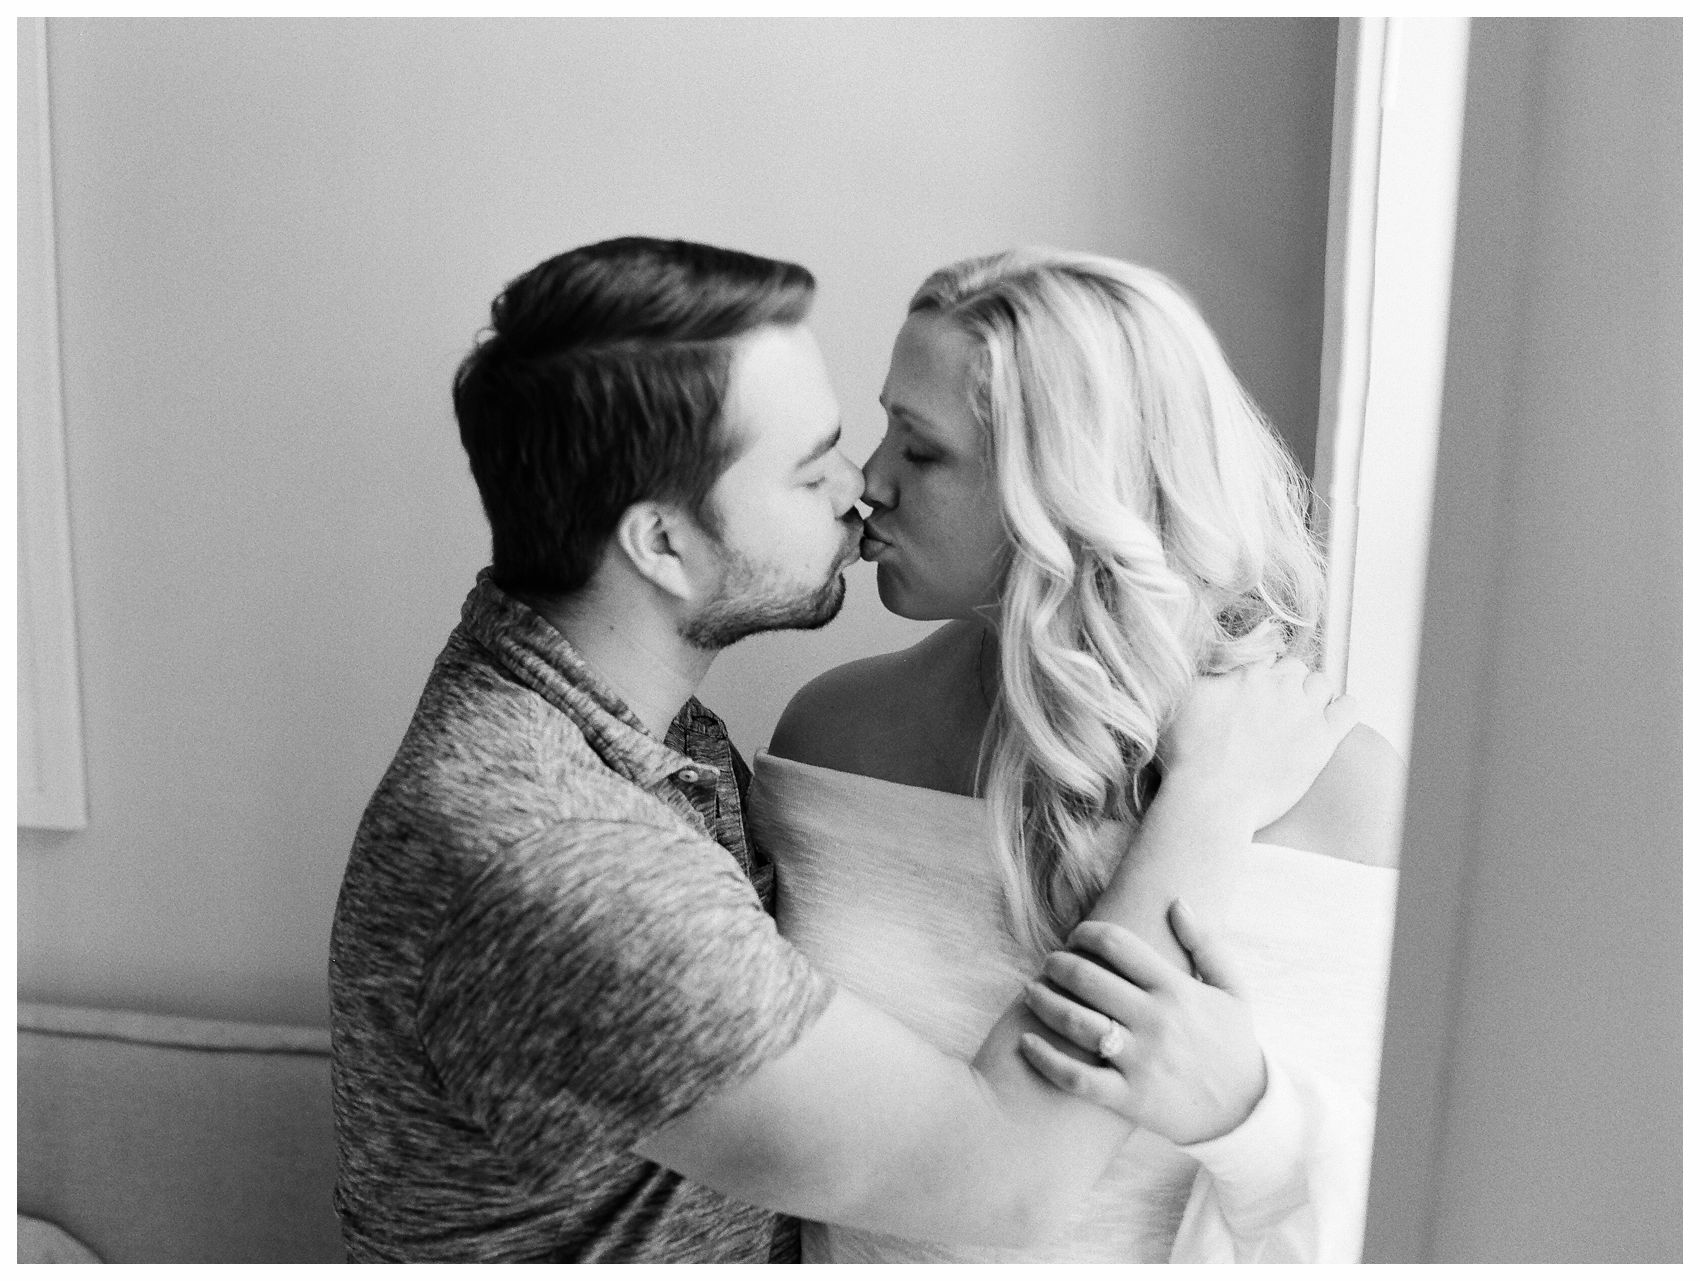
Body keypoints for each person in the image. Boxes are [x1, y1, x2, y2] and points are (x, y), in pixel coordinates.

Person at [327, 237, 1358, 1263]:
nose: (855, 486)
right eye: (808, 463)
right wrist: (1203, 809)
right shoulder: (560, 857)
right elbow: (999, 1188)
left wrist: (1255, 1120)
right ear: (662, 544)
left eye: (895, 443)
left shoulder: (628, 735)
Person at [753, 247, 1405, 1262]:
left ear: (1067, 486)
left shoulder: (1352, 803)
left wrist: (1252, 1113)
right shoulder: (834, 740)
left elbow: (1444, 1211)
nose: (865, 483)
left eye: (919, 452)